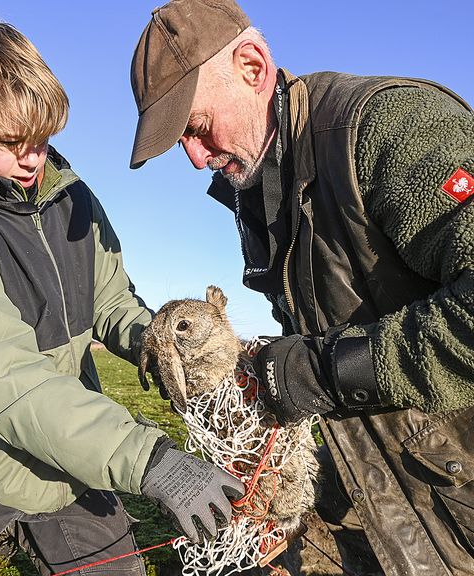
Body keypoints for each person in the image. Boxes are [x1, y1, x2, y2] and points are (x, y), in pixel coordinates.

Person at [129, 1, 474, 575]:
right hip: (392, 501)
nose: (194, 158)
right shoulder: (260, 190)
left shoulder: (390, 126)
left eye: (196, 126)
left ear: (253, 65)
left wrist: (320, 371)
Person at [0, 20, 244, 576]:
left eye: (42, 140)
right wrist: (149, 461)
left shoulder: (72, 197)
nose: (33, 159)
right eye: (11, 143)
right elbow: (5, 381)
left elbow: (111, 302)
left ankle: (33, 528)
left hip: (69, 449)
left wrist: (163, 343)